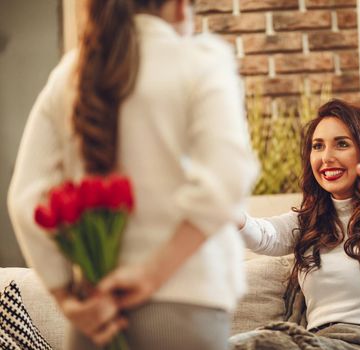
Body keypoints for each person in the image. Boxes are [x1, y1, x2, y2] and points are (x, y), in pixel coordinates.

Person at [7, 0, 257, 349]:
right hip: (188, 310)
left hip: (97, 320)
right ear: (182, 6)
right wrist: (151, 275)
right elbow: (227, 178)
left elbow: (25, 200)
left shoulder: (71, 73)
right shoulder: (201, 61)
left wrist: (67, 298)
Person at [234, 99, 360, 345]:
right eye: (317, 146)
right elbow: (266, 236)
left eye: (341, 144)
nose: (326, 157)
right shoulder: (311, 220)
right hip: (319, 341)